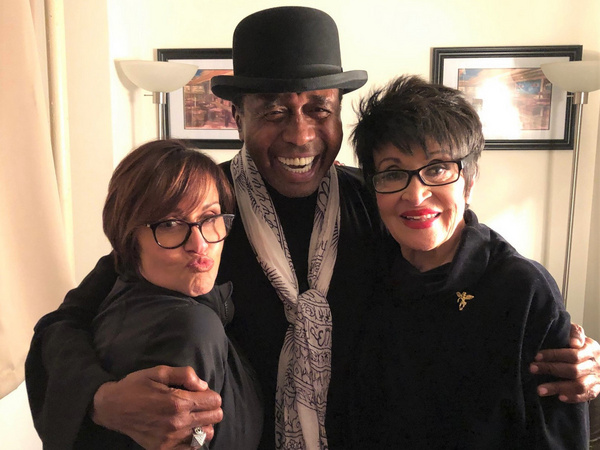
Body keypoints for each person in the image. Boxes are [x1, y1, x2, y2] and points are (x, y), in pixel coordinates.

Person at [25, 6, 600, 450]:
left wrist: (566, 345)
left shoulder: (377, 200)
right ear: (237, 115)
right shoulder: (198, 209)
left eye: (318, 109)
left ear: (338, 113)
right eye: (274, 110)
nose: (299, 136)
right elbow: (65, 323)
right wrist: (100, 400)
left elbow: (469, 260)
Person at [349, 75, 589, 448]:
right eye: (394, 173)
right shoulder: (366, 272)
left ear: (470, 181)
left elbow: (558, 435)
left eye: (438, 168)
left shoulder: (521, 288)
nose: (416, 195)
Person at [34, 140, 264, 449]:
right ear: (129, 239)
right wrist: (98, 398)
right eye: (170, 224)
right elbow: (60, 323)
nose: (199, 244)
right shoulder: (187, 327)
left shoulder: (168, 295)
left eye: (210, 218)